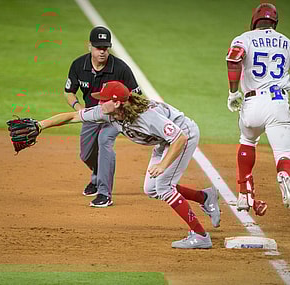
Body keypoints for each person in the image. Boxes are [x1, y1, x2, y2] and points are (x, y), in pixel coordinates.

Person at [38, 81, 221, 248]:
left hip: (184, 135)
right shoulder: (108, 113)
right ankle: (204, 197)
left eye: (104, 100)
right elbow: (72, 117)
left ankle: (200, 235)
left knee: (164, 187)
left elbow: (179, 138)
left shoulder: (145, 117)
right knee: (152, 189)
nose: (100, 104)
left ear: (117, 103)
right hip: (164, 141)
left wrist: (164, 165)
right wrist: (40, 125)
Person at [226, 3, 290, 216]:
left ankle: (244, 193)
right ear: (275, 22)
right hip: (278, 104)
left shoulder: (243, 38)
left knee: (247, 141)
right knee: (285, 155)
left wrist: (233, 92)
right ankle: (283, 175)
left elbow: (234, 59)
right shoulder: (287, 43)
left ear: (254, 19)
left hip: (252, 104)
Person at [64, 26, 141, 208]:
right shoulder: (78, 65)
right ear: (89, 46)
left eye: (105, 48)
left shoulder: (120, 68)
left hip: (114, 117)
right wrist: (80, 110)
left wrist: (121, 110)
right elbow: (68, 92)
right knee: (85, 154)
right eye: (98, 47)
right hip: (92, 114)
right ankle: (98, 174)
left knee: (104, 141)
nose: (102, 51)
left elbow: (137, 95)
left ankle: (104, 194)